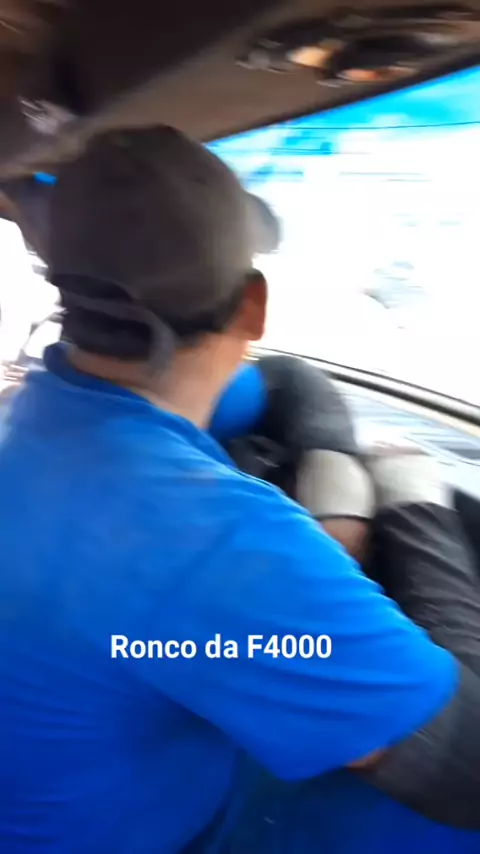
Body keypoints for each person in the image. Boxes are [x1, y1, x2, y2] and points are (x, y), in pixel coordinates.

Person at [2, 126, 480, 854]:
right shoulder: (208, 540)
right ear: (254, 305)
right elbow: (466, 768)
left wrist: (337, 495)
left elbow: (291, 382)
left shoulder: (48, 410)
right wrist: (415, 502)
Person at [208, 354, 480, 854]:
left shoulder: (107, 409)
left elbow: (288, 380)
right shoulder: (189, 557)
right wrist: (416, 510)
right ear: (251, 318)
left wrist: (332, 474)